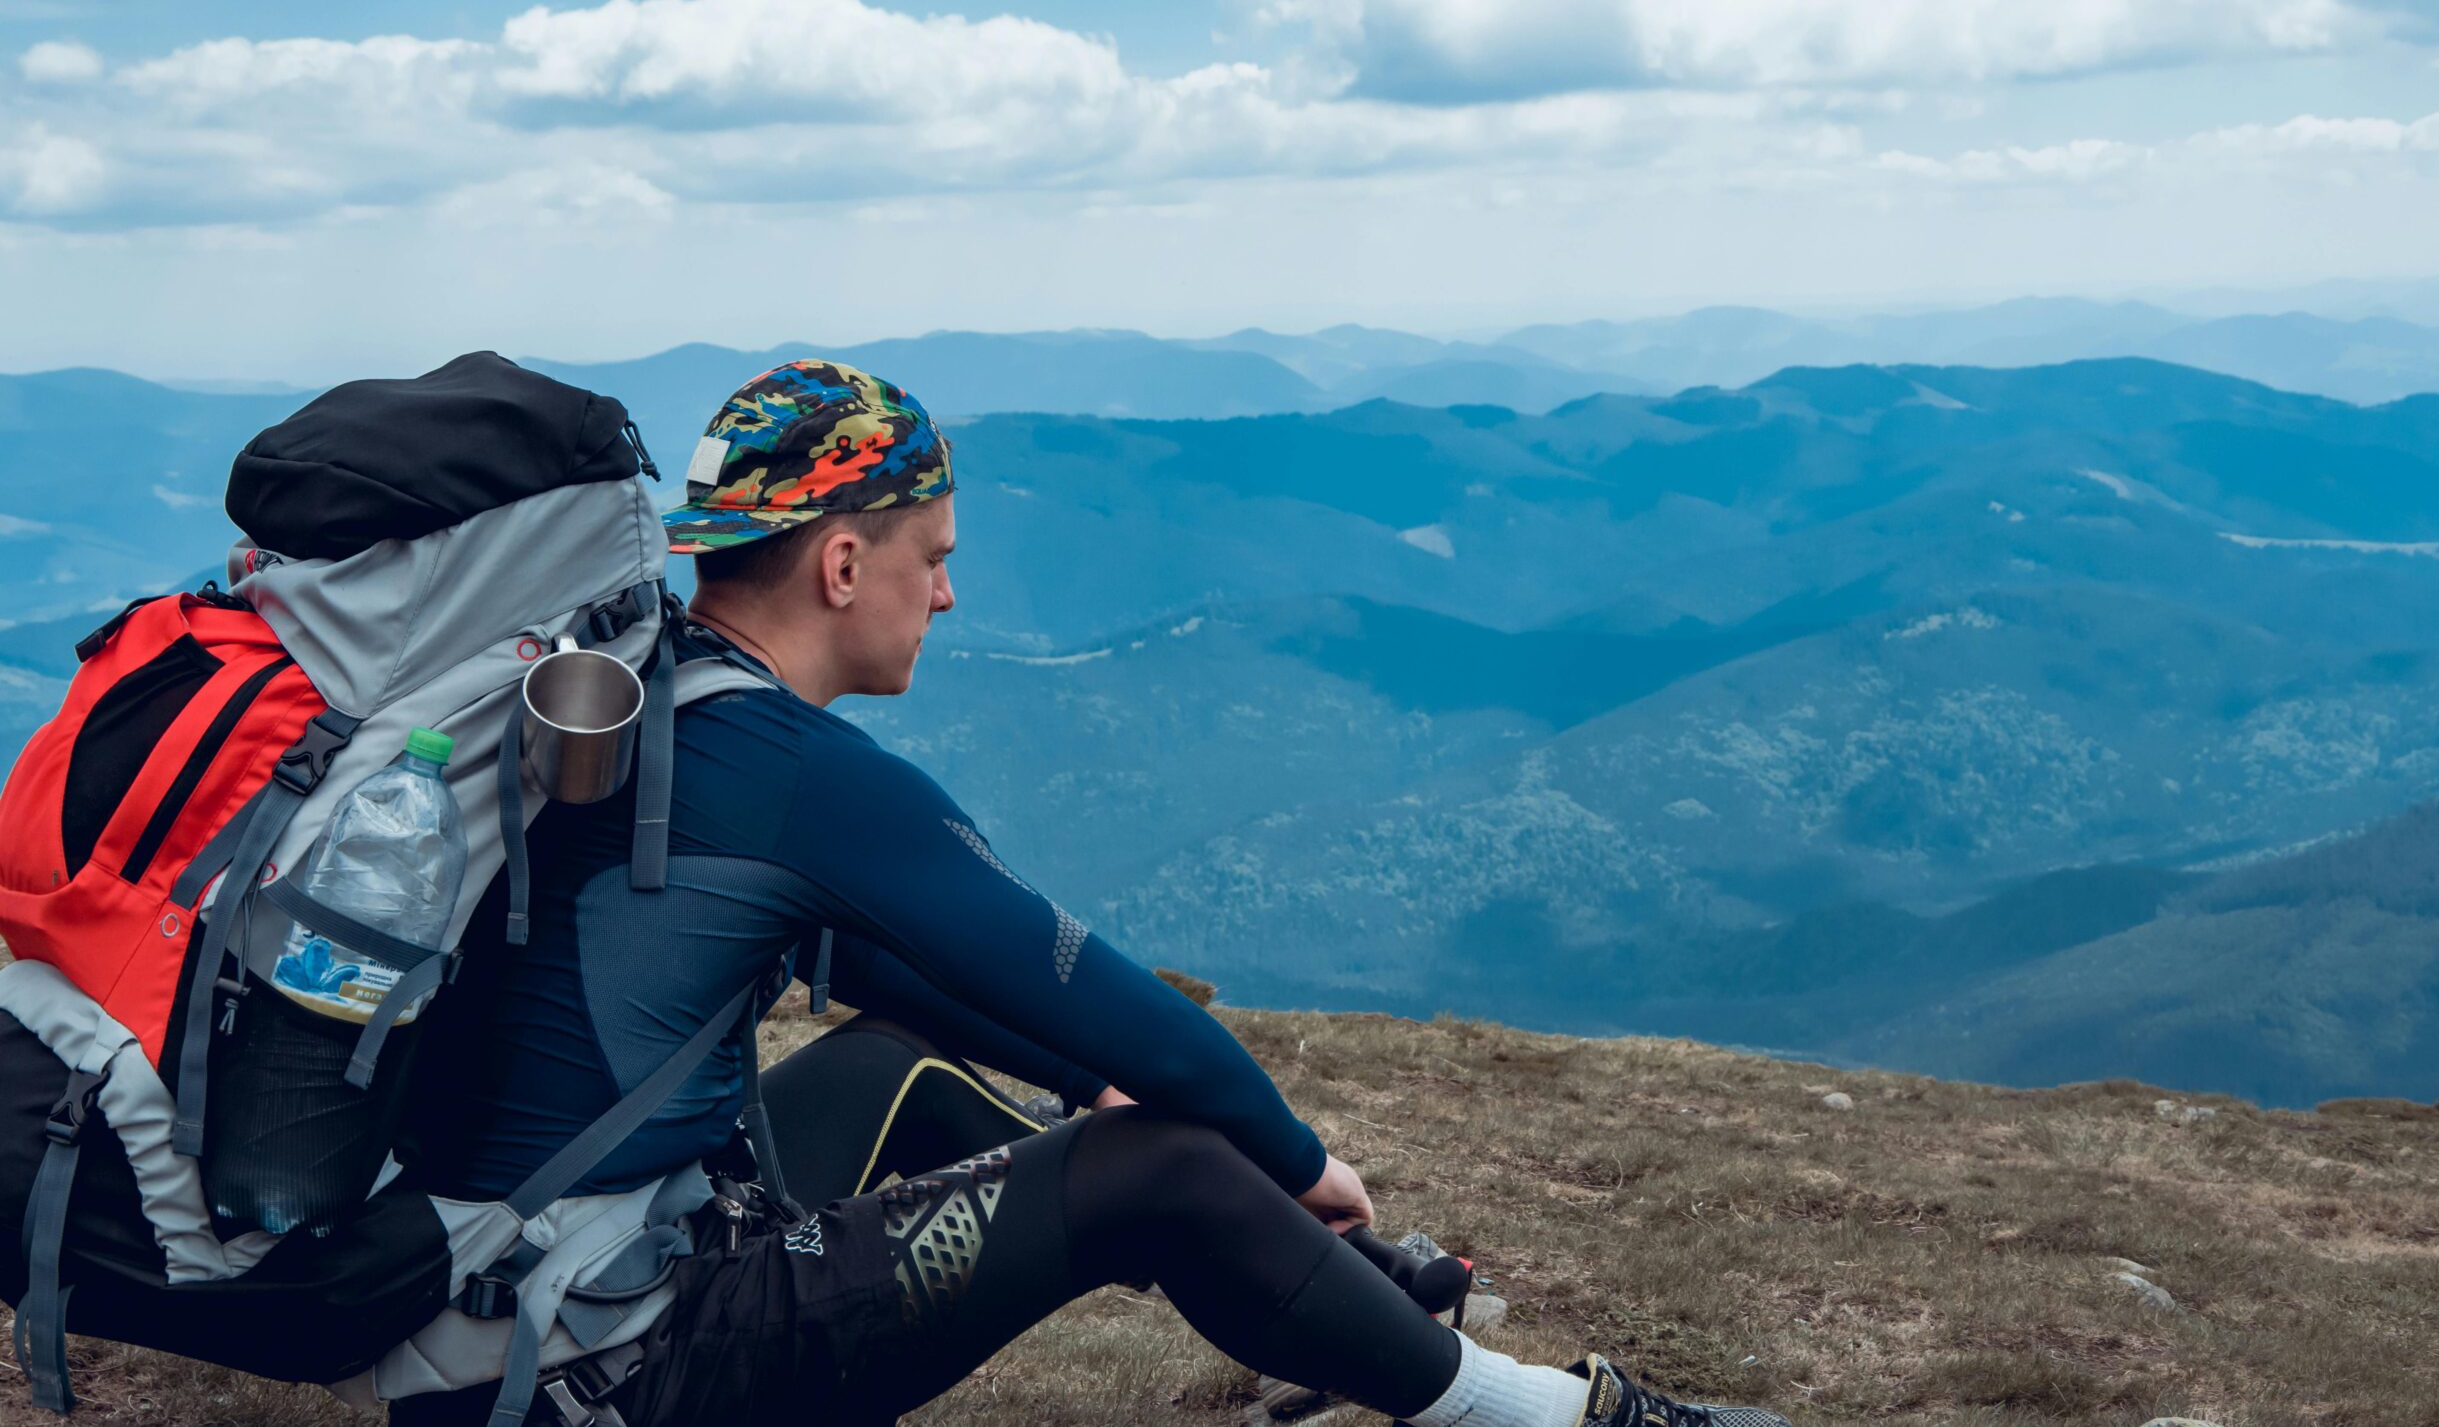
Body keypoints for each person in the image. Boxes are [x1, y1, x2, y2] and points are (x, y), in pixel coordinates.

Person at [395, 360, 1790, 1427]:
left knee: (913, 1075)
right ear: (841, 563)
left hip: (473, 1315)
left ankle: (1341, 1320)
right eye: (930, 559)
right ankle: (1542, 1412)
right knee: (1160, 1168)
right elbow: (1099, 992)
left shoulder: (639, 713)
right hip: (617, 1367)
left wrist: (1103, 1096)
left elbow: (912, 984)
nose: (943, 596)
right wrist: (1296, 1165)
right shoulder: (792, 773)